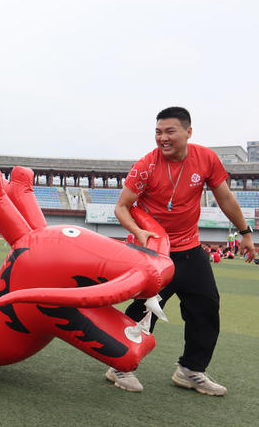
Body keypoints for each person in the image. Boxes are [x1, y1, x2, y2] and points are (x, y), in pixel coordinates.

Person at [106, 107, 256, 396]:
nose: (163, 138)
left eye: (169, 131)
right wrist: (138, 232)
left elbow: (224, 197)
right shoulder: (146, 165)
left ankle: (191, 370)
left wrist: (246, 233)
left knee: (206, 309)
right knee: (142, 311)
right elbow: (122, 206)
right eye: (158, 132)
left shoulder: (206, 159)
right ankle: (119, 366)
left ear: (188, 132)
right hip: (153, 253)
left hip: (190, 250)